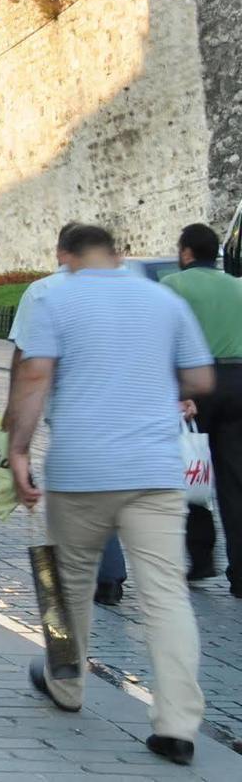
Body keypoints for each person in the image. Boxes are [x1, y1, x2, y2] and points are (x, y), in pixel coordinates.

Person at [10, 224, 213, 767]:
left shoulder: (53, 297)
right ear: (118, 254)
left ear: (65, 255)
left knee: (66, 581)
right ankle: (176, 726)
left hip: (82, 468)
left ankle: (65, 682)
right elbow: (200, 377)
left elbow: (33, 377)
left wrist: (19, 451)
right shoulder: (162, 297)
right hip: (154, 470)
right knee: (165, 594)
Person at [7, 223, 129, 606]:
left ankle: (101, 574)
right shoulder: (128, 290)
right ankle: (110, 571)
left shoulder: (42, 291)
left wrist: (15, 416)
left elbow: (26, 360)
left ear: (61, 250)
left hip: (71, 410)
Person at [162, 222, 242, 593]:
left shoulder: (172, 287)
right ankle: (240, 571)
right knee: (234, 480)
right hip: (238, 383)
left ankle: (201, 557)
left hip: (197, 385)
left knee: (195, 470)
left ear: (186, 253)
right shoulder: (239, 287)